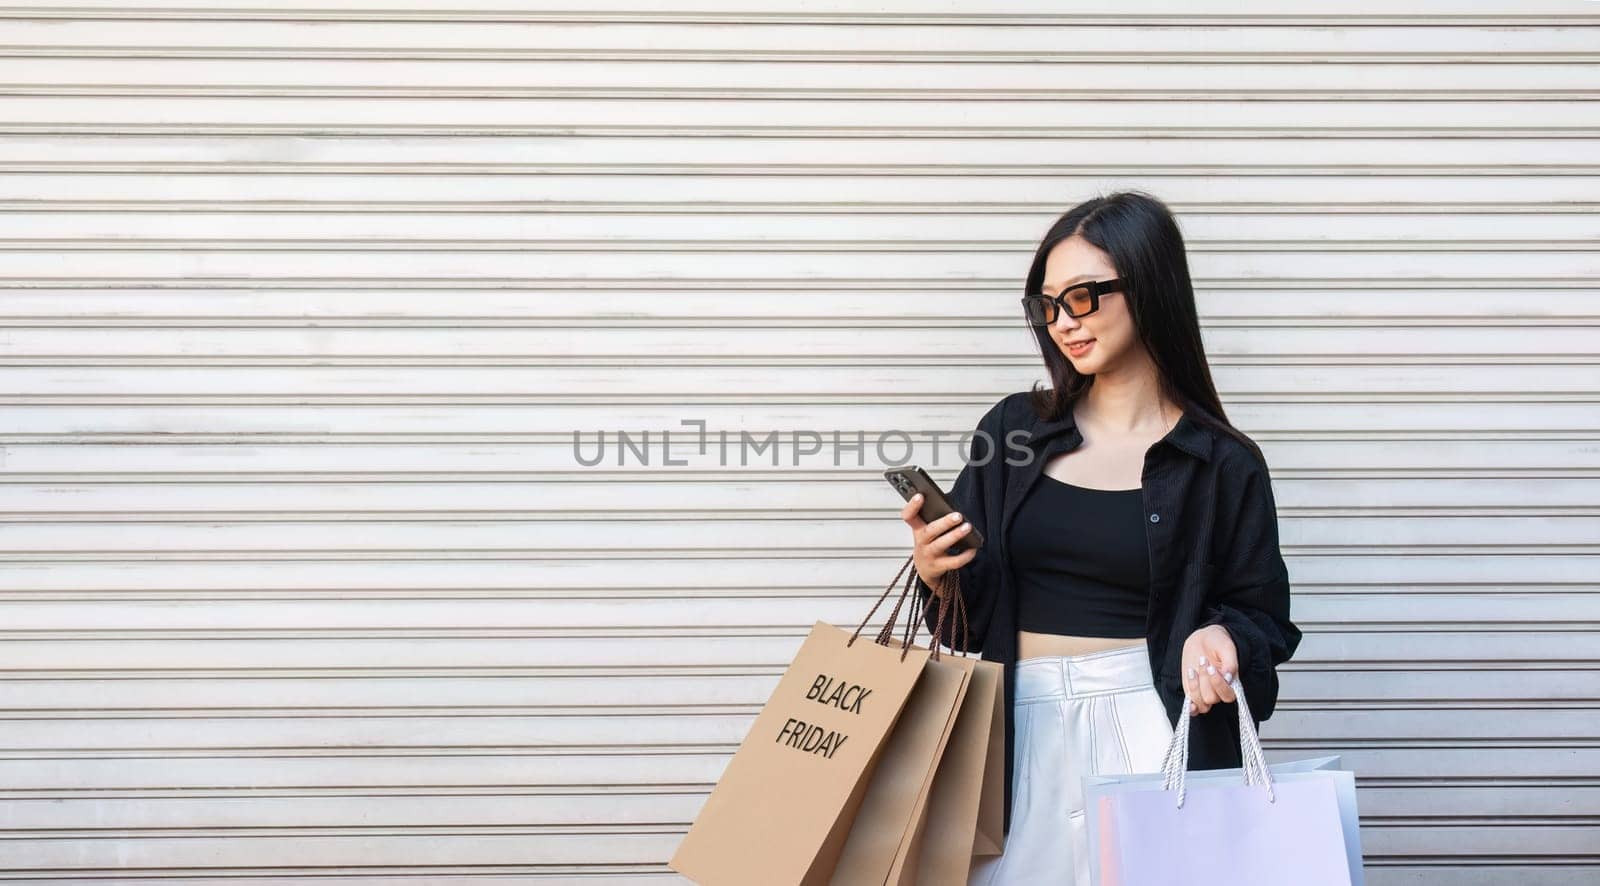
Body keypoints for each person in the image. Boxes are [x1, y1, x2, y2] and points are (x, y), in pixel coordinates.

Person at [900, 190, 1302, 885]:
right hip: (1014, 729)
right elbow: (967, 617)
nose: (1062, 323)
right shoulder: (1013, 432)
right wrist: (938, 573)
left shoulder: (1222, 463)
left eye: (1082, 297)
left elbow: (1263, 617)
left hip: (1152, 721)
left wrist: (1224, 638)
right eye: (1046, 304)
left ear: (1148, 288)